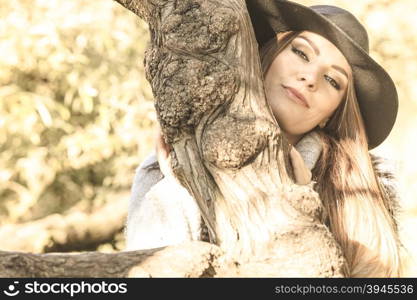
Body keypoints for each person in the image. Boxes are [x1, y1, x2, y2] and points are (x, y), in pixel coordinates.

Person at [125, 0, 402, 277]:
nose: (310, 77)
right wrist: (180, 188)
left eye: (332, 81)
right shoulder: (163, 165)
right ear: (269, 53)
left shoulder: (355, 201)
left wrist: (301, 207)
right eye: (301, 53)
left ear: (329, 115)